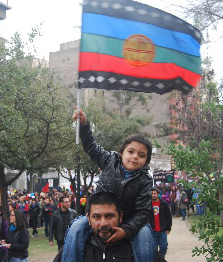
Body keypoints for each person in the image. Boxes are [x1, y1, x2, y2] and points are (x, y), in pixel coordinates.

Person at [62, 108, 154, 262]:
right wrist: (84, 125)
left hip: (130, 220)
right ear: (121, 152)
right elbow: (91, 146)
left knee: (145, 235)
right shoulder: (109, 160)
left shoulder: (145, 180)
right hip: (100, 214)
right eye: (131, 151)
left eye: (141, 155)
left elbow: (143, 212)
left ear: (146, 160)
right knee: (76, 228)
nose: (135, 157)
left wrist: (126, 230)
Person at [54, 192, 164, 262]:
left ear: (120, 216)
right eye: (96, 217)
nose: (103, 223)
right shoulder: (74, 247)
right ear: (88, 218)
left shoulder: (139, 248)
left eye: (109, 216)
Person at [149, 187, 172, 259]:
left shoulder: (163, 204)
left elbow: (169, 216)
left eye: (154, 194)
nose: (153, 195)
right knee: (154, 249)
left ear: (158, 194)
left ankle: (161, 259)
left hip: (162, 230)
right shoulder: (148, 204)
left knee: (164, 247)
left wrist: (168, 228)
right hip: (153, 231)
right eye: (152, 194)